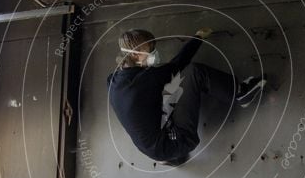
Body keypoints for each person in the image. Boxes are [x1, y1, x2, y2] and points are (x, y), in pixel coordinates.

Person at [107, 28, 266, 166]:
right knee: (193, 73)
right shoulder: (146, 79)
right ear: (135, 54)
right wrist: (198, 37)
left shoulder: (113, 81)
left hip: (151, 147)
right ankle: (241, 93)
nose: (154, 52)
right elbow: (178, 64)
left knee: (166, 91)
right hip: (174, 140)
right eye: (150, 49)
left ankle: (169, 157)